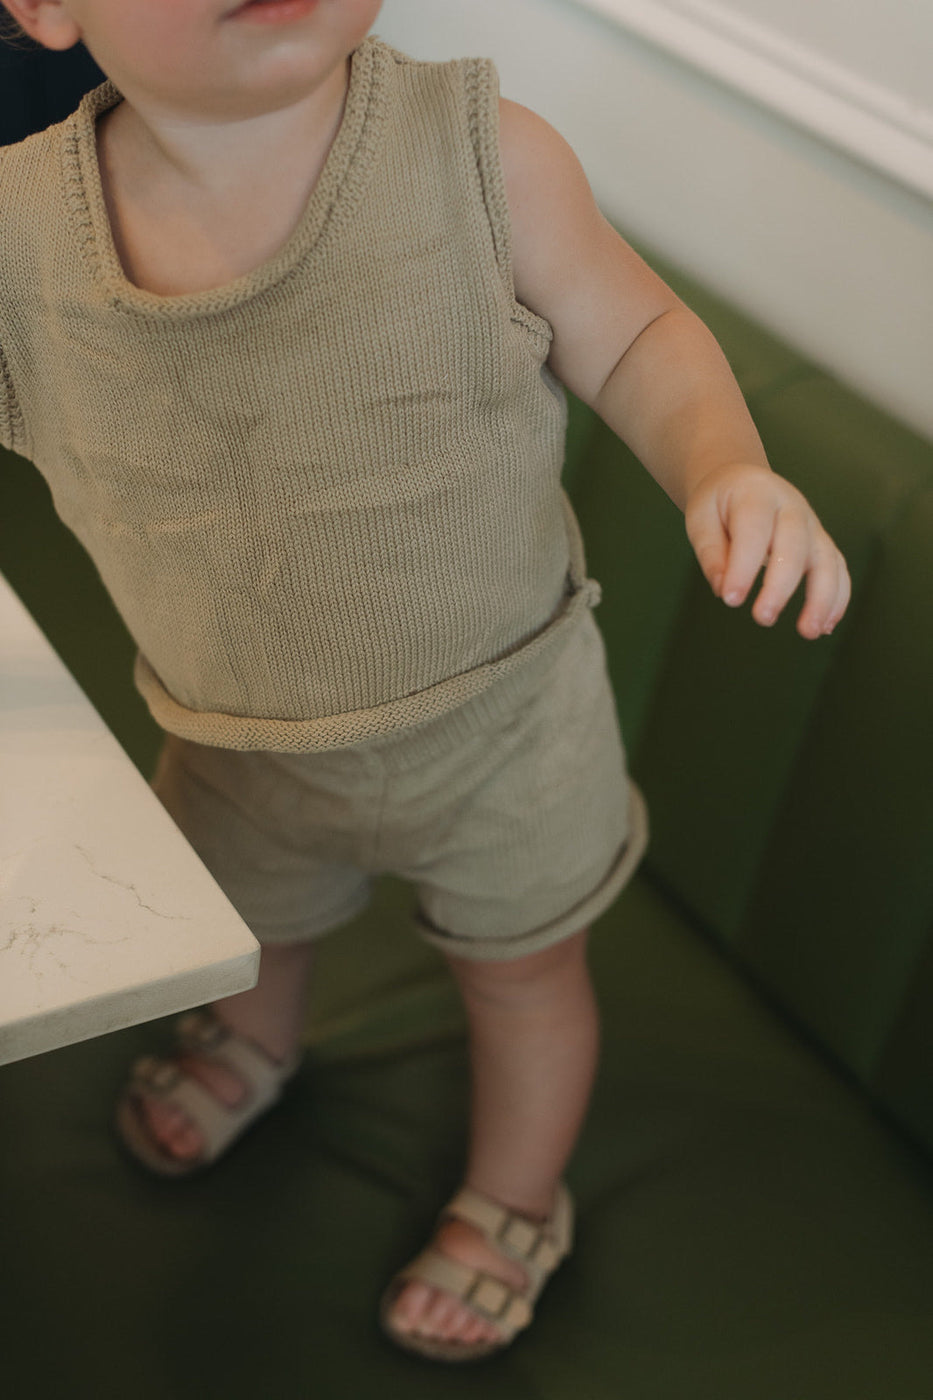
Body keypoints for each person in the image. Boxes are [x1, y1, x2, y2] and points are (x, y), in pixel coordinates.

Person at [0, 0, 850, 1365]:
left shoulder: (487, 157)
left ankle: (514, 1195)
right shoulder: (18, 237)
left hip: (503, 727)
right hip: (232, 739)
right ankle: (250, 1049)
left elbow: (636, 339)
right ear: (42, 7)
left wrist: (724, 467)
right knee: (251, 932)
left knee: (523, 979)